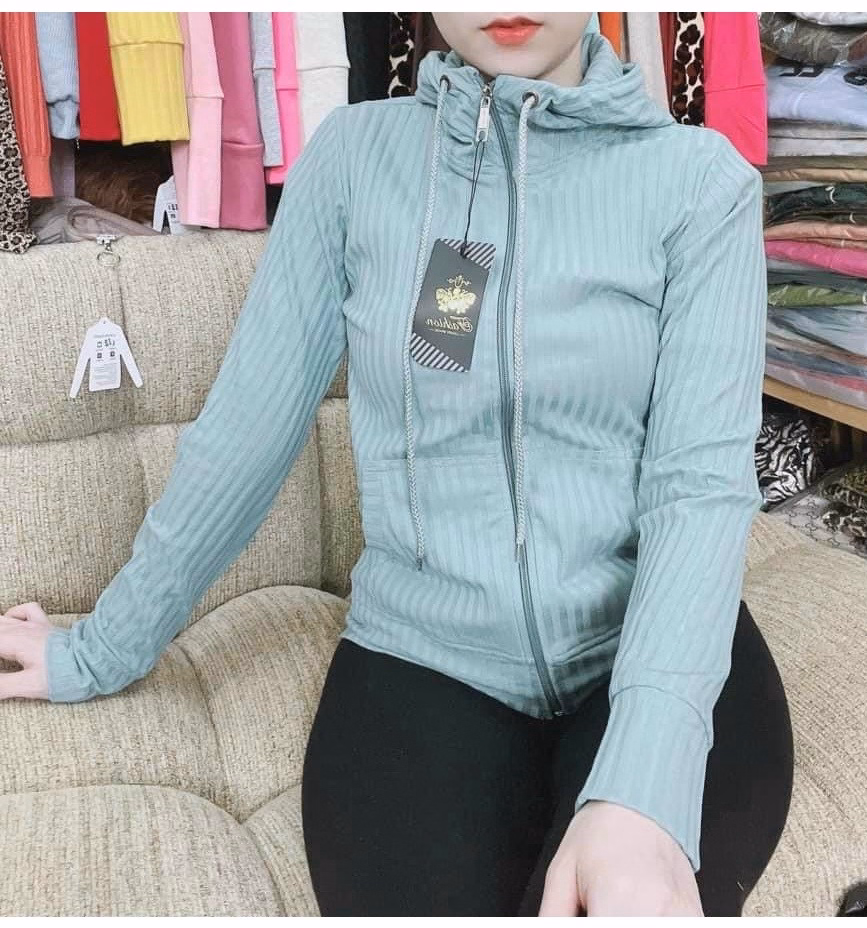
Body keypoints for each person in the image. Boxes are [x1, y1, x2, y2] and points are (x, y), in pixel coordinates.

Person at [0, 12, 793, 917]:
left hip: (655, 645)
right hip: (423, 661)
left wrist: (644, 789)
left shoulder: (698, 184)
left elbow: (697, 489)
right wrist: (102, 649)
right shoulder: (352, 161)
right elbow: (248, 430)